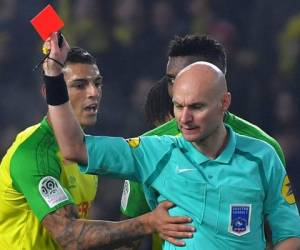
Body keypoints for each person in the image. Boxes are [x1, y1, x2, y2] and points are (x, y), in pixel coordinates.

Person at [45, 34, 300, 249]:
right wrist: (55, 76)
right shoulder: (155, 150)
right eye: (179, 106)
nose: (185, 118)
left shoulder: (262, 155)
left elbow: (287, 233)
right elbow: (74, 147)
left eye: (196, 107)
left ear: (224, 102)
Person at [0, 45, 194, 250]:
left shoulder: (85, 153)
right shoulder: (34, 155)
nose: (94, 92)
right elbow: (69, 236)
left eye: (97, 83)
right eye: (80, 85)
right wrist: (148, 222)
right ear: (50, 92)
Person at [120, 34, 288, 250]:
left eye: (187, 77)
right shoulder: (148, 146)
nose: (178, 87)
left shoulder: (264, 150)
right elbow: (129, 236)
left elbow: (279, 230)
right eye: (172, 80)